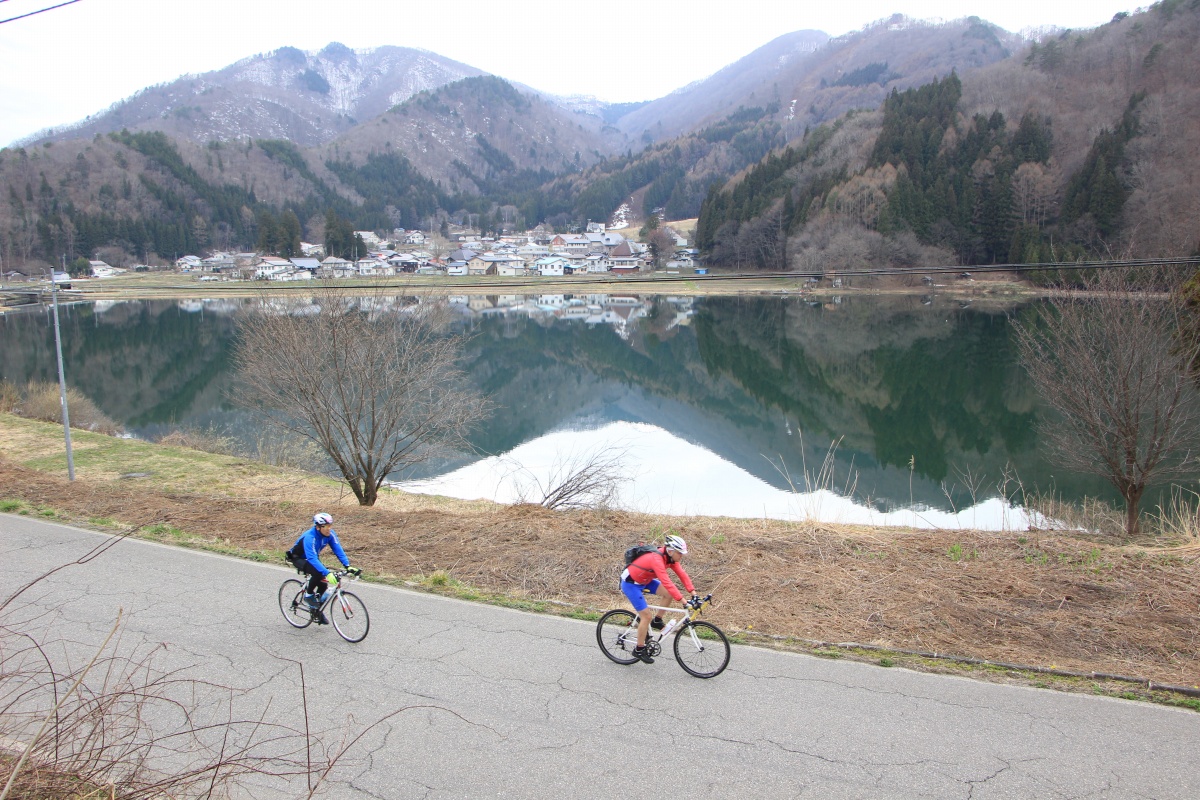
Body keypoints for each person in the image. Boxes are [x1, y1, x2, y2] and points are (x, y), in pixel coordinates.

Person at [620, 534, 699, 664]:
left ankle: (657, 621)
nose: (681, 556)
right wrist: (684, 601)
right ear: (671, 550)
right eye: (680, 553)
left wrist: (694, 594)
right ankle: (639, 649)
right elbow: (666, 581)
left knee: (668, 594)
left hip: (645, 580)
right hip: (631, 583)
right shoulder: (656, 558)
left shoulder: (670, 559)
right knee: (646, 616)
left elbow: (682, 575)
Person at [286, 512, 361, 625]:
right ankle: (308, 595)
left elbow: (338, 549)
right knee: (318, 573)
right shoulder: (310, 537)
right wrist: (327, 573)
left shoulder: (330, 534)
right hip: (298, 558)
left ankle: (316, 611)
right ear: (318, 527)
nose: (329, 529)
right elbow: (311, 558)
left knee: (323, 584)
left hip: (312, 558)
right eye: (326, 526)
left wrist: (347, 566)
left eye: (330, 526)